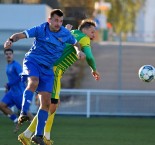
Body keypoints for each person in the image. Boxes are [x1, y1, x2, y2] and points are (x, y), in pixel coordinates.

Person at [4, 9, 85, 145]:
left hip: (48, 69)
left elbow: (76, 43)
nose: (58, 23)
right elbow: (21, 35)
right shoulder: (41, 29)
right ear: (49, 20)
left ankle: (38, 135)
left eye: (60, 21)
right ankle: (23, 112)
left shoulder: (65, 33)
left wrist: (78, 51)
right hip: (33, 61)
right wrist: (10, 40)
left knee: (46, 102)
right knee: (33, 81)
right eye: (56, 20)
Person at [18, 19, 100, 145]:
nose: (94, 35)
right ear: (84, 29)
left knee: (53, 105)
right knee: (51, 106)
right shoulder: (84, 39)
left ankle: (39, 135)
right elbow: (89, 56)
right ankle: (33, 135)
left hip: (46, 68)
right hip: (54, 71)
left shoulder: (70, 32)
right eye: (92, 31)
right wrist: (94, 69)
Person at [0, 49, 33, 133]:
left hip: (19, 92)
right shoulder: (8, 66)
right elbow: (12, 78)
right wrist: (9, 87)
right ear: (5, 55)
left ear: (12, 55)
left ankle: (36, 127)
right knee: (2, 105)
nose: (8, 55)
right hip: (12, 92)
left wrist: (9, 84)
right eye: (6, 54)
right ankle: (15, 121)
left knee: (26, 112)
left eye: (10, 53)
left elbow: (22, 76)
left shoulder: (16, 65)